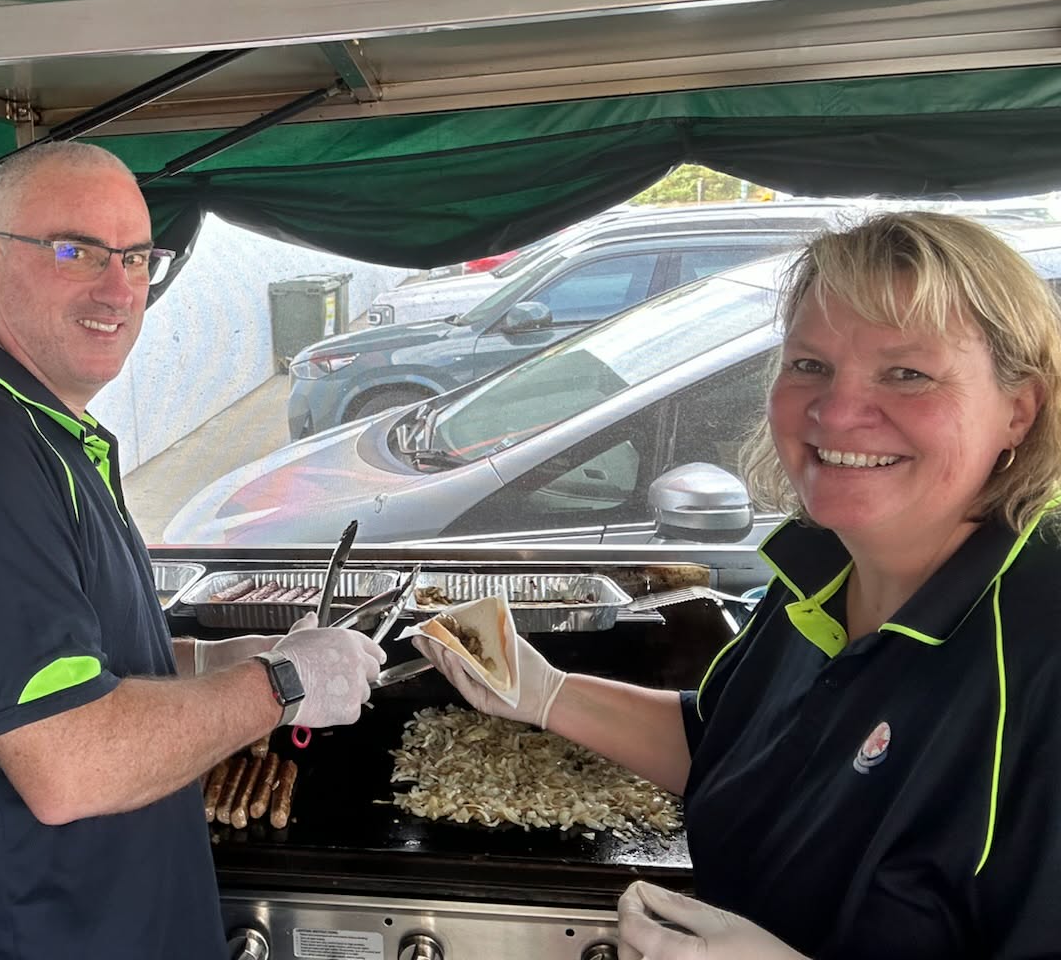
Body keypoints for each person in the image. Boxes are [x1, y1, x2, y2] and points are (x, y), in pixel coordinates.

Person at [417, 211, 1061, 959]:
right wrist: (546, 692)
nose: (837, 411)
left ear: (1019, 409)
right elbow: (733, 746)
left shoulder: (1042, 646)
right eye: (810, 365)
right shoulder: (819, 574)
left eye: (907, 373)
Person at [0, 141, 385, 959]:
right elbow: (67, 761)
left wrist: (222, 659)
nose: (117, 287)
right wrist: (280, 685)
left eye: (138, 257)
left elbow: (73, 661)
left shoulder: (39, 429)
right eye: (76, 251)